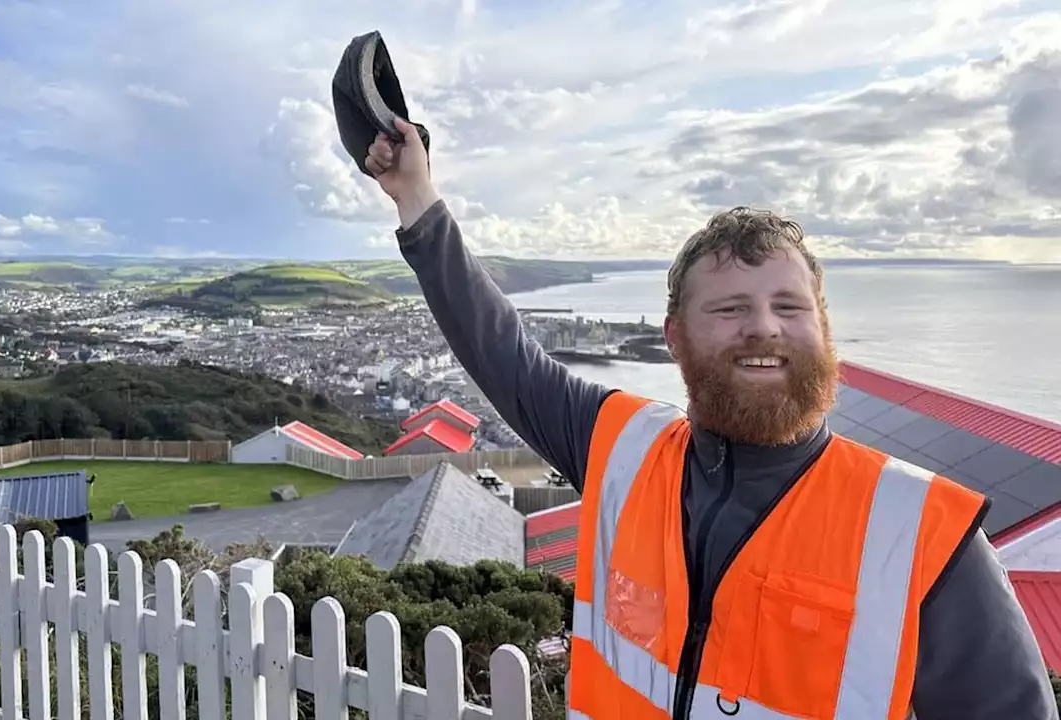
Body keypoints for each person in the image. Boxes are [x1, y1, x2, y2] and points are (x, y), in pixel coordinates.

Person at [362, 117, 1057, 719]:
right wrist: (416, 197)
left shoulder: (925, 537)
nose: (764, 329)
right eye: (729, 310)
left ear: (824, 329)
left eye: (790, 308)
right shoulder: (621, 447)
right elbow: (503, 351)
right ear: (674, 338)